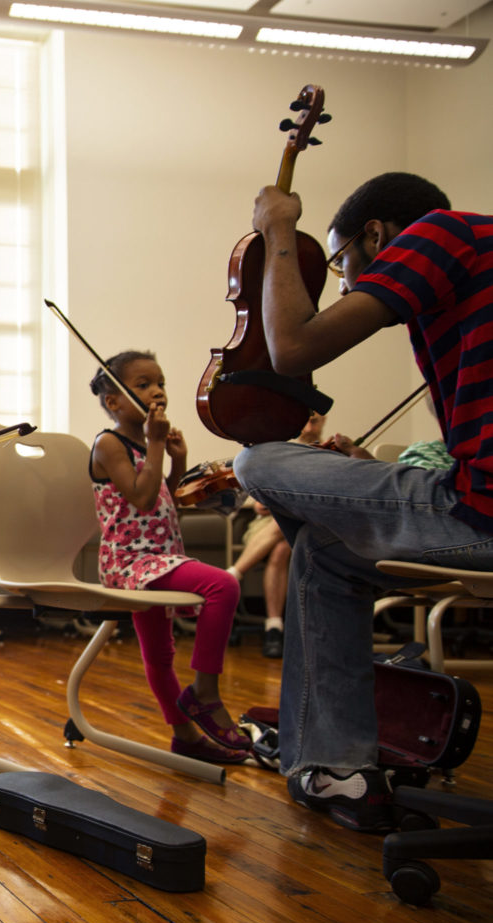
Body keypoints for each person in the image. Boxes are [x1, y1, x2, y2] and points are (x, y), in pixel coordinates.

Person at [231, 171, 492, 833]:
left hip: (483, 514)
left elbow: (293, 348)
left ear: (378, 234)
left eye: (343, 260)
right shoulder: (471, 273)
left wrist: (280, 228)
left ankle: (334, 761)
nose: (344, 284)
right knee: (323, 551)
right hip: (472, 501)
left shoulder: (441, 231)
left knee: (256, 459)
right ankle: (339, 773)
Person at [89, 351, 250, 764]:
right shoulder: (109, 444)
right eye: (143, 384)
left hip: (159, 556)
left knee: (160, 655)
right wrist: (157, 443)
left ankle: (185, 737)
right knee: (223, 584)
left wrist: (175, 461)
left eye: (160, 382)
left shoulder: (147, 444)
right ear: (114, 402)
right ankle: (204, 691)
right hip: (129, 562)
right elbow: (141, 500)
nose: (157, 390)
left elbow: (165, 506)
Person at [225, 412, 329, 658]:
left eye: (315, 420)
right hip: (266, 529)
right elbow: (258, 502)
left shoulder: (327, 455)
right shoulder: (279, 451)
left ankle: (233, 577)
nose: (309, 425)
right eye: (305, 418)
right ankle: (273, 626)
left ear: (323, 421)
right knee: (283, 531)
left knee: (284, 544)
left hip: (305, 529)